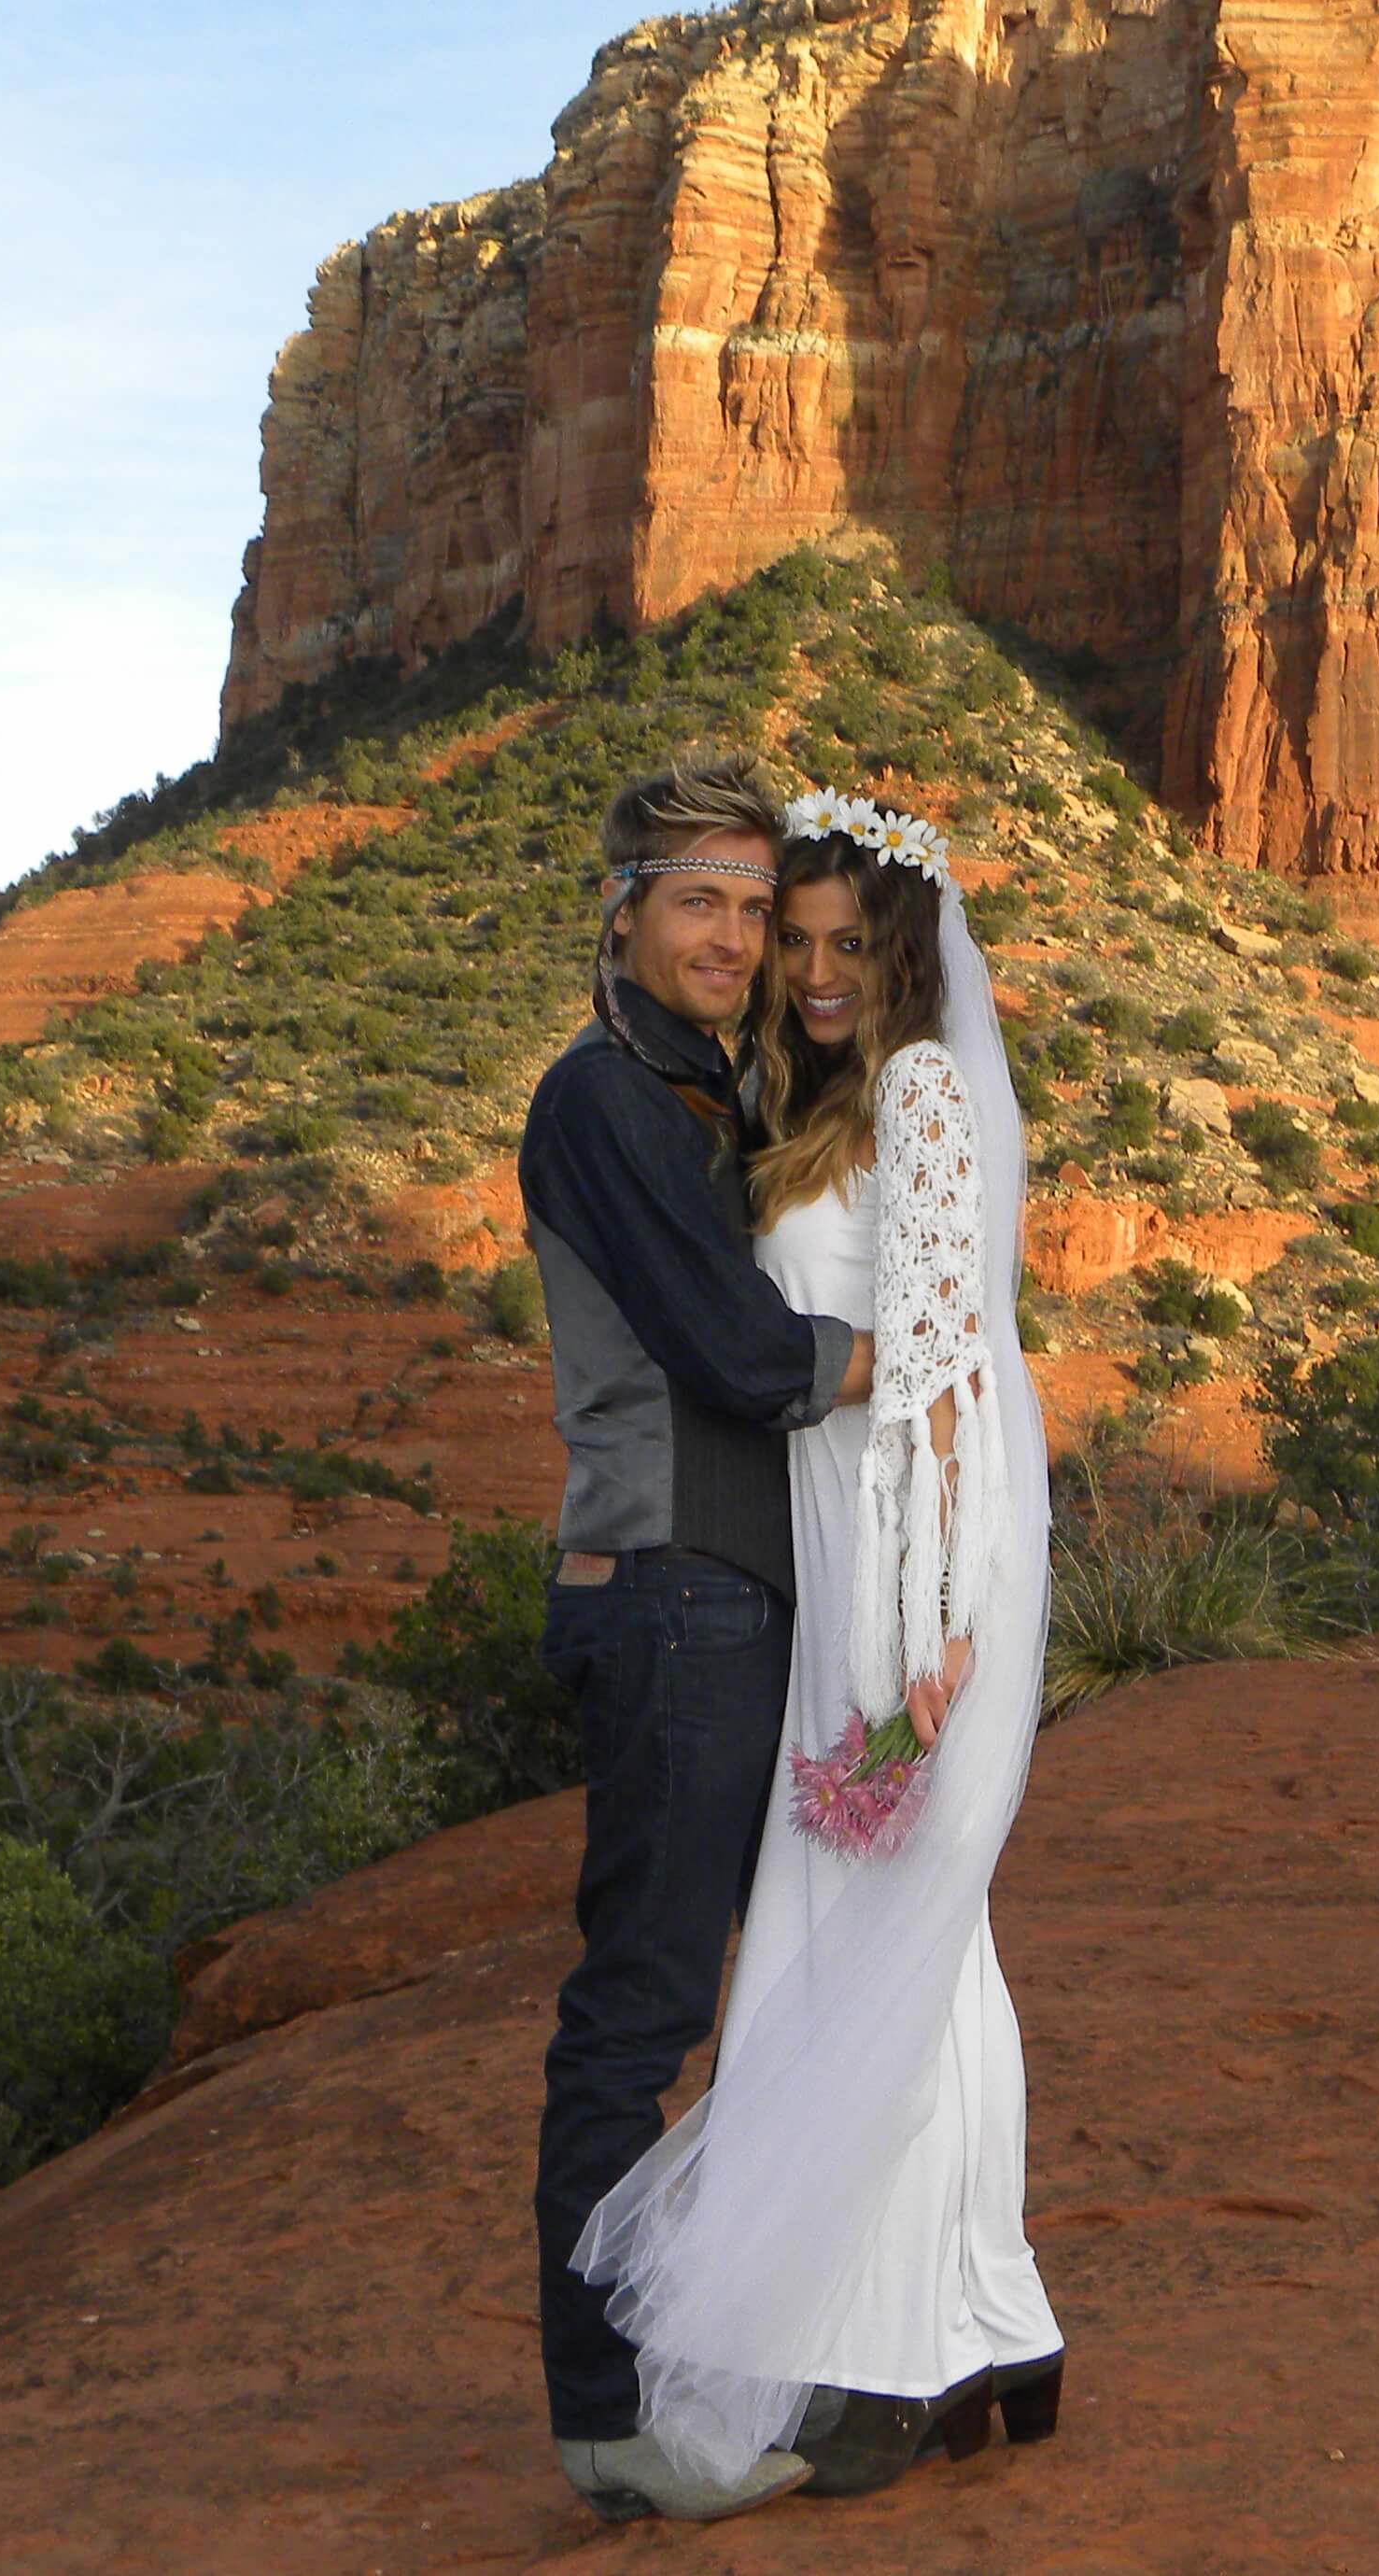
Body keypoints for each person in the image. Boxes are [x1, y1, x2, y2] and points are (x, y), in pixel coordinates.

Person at [570, 786, 1067, 2499]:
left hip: (900, 1575)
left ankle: (908, 2351)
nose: (812, 970)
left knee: (873, 1947)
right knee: (927, 1946)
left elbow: (939, 1394)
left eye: (850, 944)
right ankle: (994, 2315)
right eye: (792, 941)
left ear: (909, 953)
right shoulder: (823, 1104)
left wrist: (923, 1643)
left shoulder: (921, 1093)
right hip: (833, 1556)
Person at [518, 750, 875, 2526]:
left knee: (717, 1990)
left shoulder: (696, 1097)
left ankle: (687, 2360)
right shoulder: (603, 1102)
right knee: (640, 2009)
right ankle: (607, 2417)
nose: (734, 935)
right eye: (700, 902)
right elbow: (742, 1361)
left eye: (753, 904)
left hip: (723, 1600)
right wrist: (923, 1339)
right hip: (669, 1598)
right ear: (625, 916)